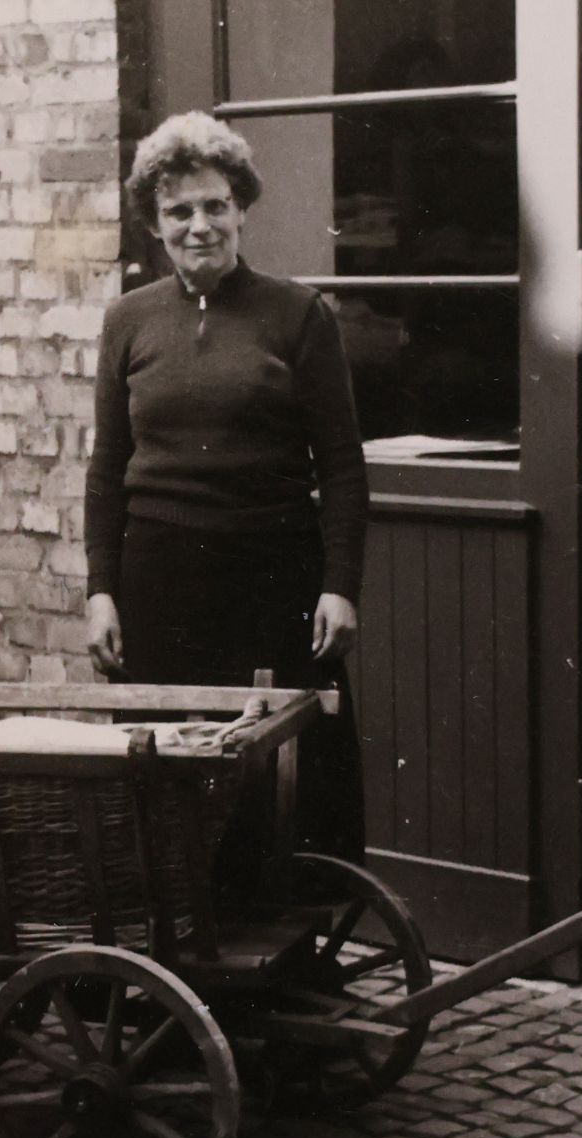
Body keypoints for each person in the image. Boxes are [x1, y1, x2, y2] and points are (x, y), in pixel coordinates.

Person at [86, 112, 369, 870]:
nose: (199, 225)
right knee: (170, 768)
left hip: (272, 574)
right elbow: (107, 467)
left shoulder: (298, 316)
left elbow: (342, 465)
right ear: (155, 223)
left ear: (241, 207)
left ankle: (284, 947)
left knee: (279, 768)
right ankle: (178, 946)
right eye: (179, 210)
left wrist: (340, 585)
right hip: (160, 579)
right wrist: (100, 590)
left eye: (215, 205)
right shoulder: (127, 321)